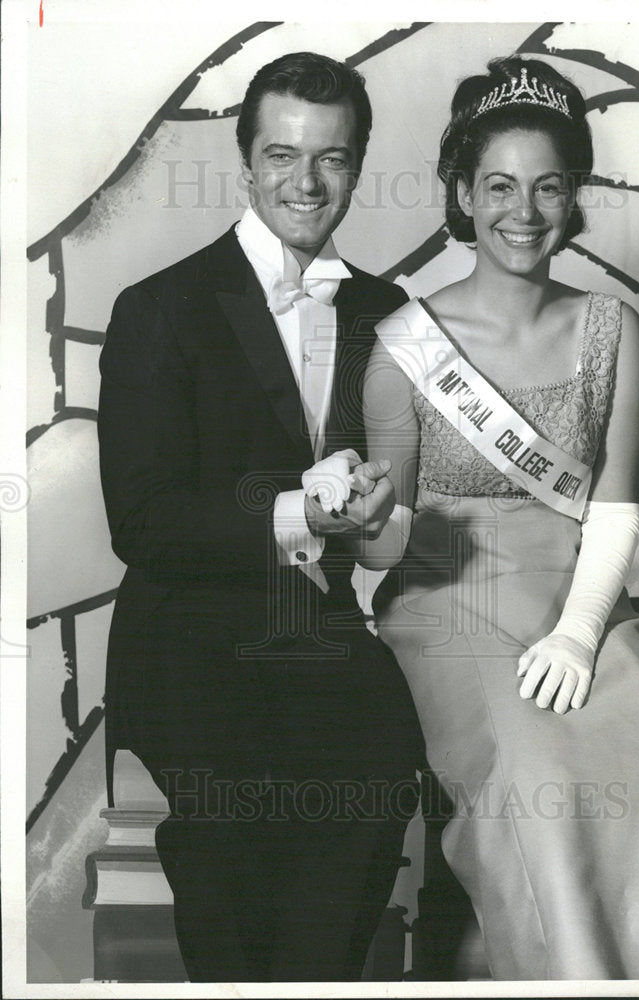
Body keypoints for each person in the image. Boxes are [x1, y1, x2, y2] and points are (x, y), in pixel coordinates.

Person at [359, 56, 639, 980]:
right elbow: (385, 541)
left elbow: (613, 512)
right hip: (446, 597)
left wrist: (578, 635)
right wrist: (362, 515)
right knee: (539, 784)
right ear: (461, 192)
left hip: (578, 589)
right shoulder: (400, 349)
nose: (523, 212)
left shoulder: (613, 328)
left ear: (572, 197)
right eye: (498, 186)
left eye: (548, 186)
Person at [97, 51, 422, 982]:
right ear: (245, 160)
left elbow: (397, 521)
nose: (306, 183)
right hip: (191, 643)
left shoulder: (387, 310)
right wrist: (303, 514)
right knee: (238, 848)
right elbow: (145, 522)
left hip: (317, 634)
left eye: (332, 159)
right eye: (282, 156)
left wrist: (376, 516)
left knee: (378, 768)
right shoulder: (157, 308)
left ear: (358, 165)